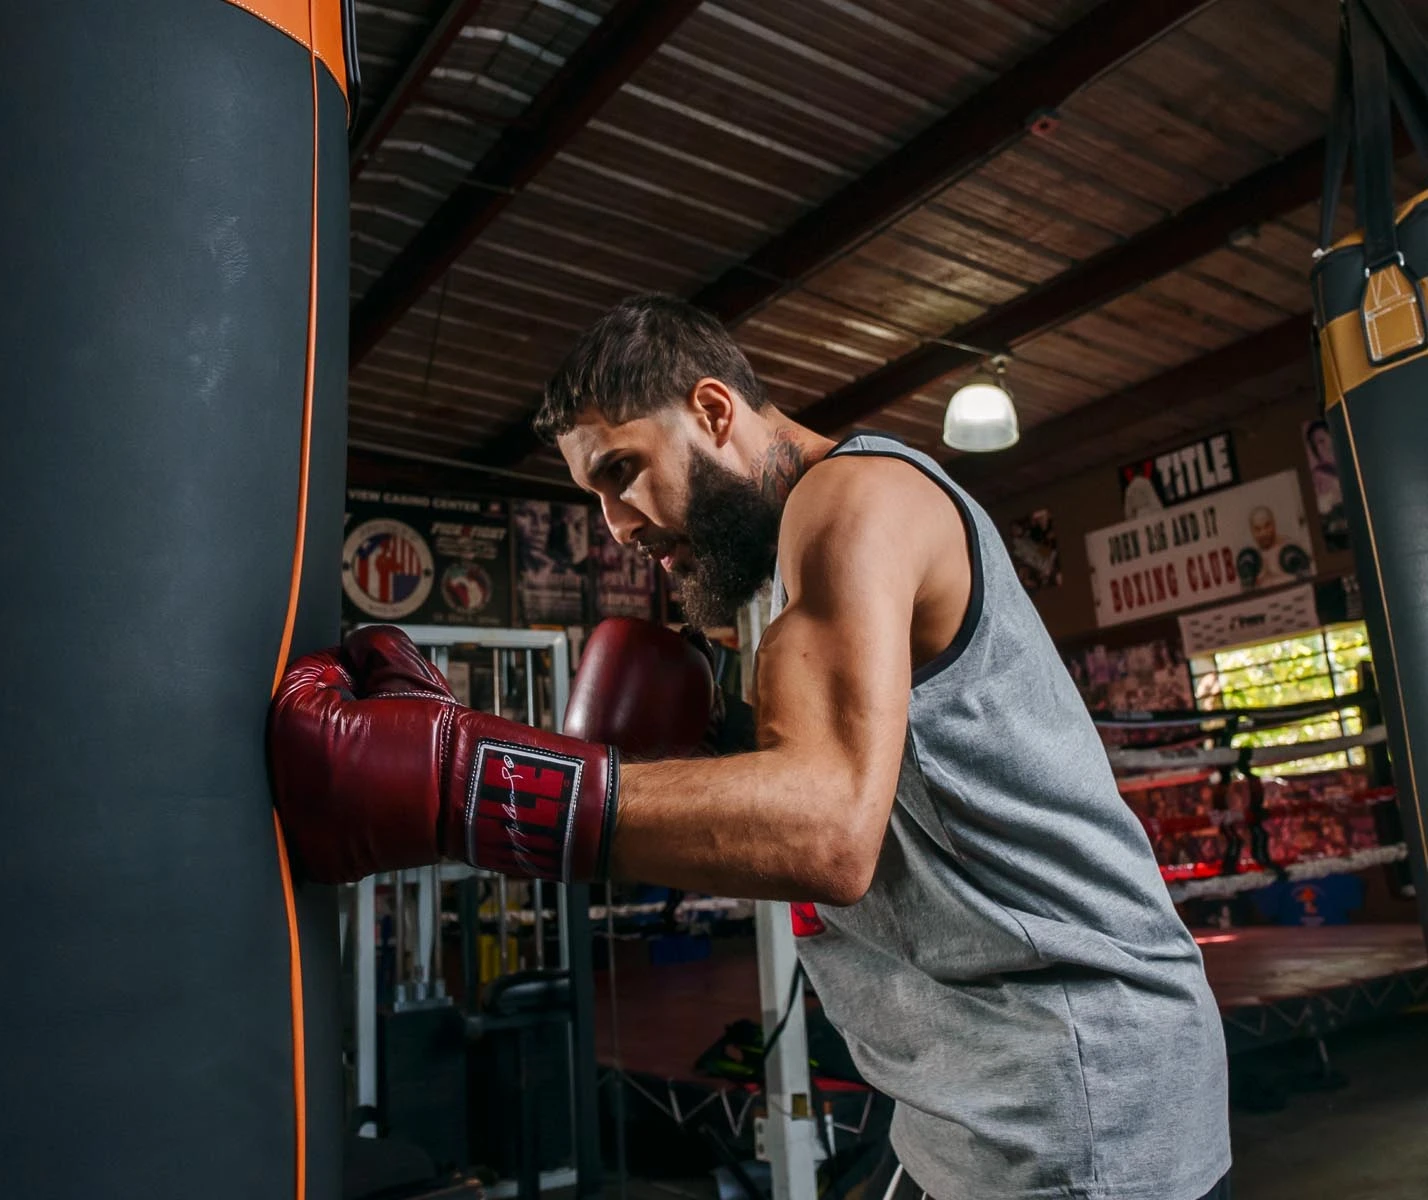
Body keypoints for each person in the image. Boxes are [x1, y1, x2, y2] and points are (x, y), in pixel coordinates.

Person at [268, 295, 1231, 1200]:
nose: (616, 526)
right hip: (967, 1103)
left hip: (1082, 1092)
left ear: (713, 410)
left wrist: (468, 785)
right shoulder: (778, 582)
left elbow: (826, 831)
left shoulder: (855, 500)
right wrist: (722, 742)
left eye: (620, 472)